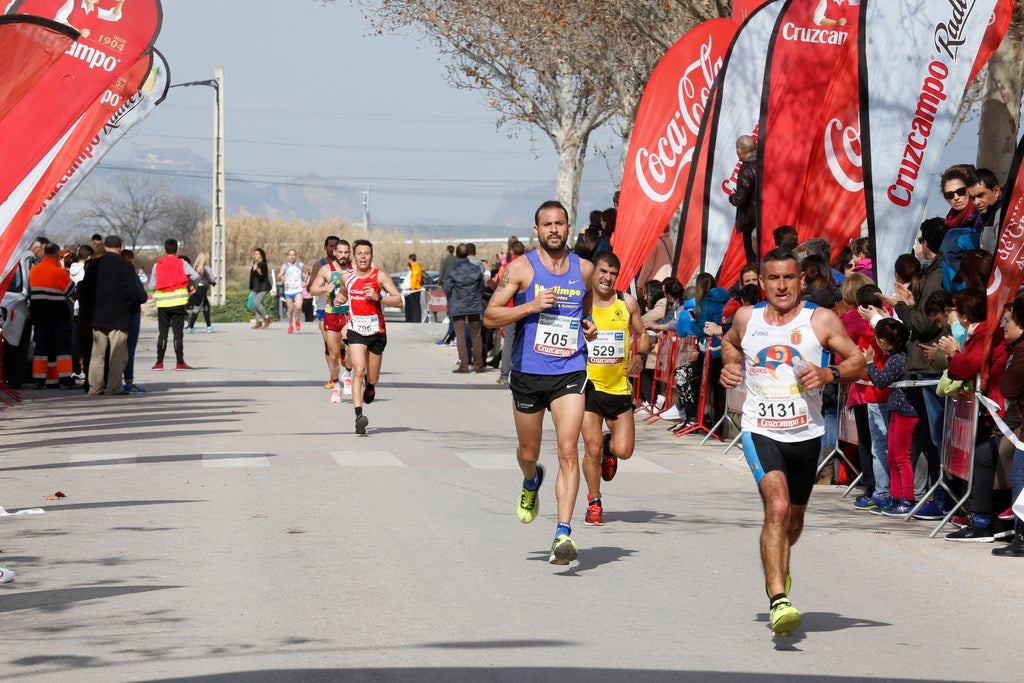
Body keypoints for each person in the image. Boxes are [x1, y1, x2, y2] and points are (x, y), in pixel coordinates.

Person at [720, 247, 865, 638]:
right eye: (773, 278)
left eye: (789, 277)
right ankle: (778, 597)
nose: (781, 286)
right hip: (760, 429)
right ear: (762, 282)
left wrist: (830, 373)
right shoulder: (747, 318)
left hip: (807, 434)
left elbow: (859, 361)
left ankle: (780, 560)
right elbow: (729, 342)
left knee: (794, 519)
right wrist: (730, 365)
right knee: (777, 505)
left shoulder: (821, 320)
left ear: (802, 280)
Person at [484, 200, 597, 566]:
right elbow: (489, 316)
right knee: (529, 453)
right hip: (529, 374)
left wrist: (589, 326)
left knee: (568, 450)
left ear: (568, 227)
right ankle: (531, 481)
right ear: (537, 230)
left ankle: (563, 532)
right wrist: (530, 307)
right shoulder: (521, 268)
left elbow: (587, 309)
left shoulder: (585, 269)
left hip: (570, 370)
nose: (553, 229)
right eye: (546, 224)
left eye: (559, 223)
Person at [581, 252, 650, 526]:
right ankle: (594, 502)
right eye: (603, 271)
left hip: (619, 387)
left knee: (624, 451)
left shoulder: (627, 303)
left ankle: (611, 448)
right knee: (591, 447)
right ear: (593, 272)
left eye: (612, 273)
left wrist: (641, 357)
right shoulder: (583, 301)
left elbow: (642, 335)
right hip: (588, 387)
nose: (607, 278)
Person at [345, 239, 403, 434]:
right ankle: (359, 416)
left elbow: (399, 301)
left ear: (371, 256)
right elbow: (345, 294)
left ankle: (370, 385)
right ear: (354, 257)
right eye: (359, 253)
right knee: (358, 370)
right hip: (356, 331)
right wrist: (339, 299)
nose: (363, 256)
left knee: (373, 376)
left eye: (366, 253)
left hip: (377, 332)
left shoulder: (380, 277)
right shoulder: (348, 277)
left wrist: (379, 297)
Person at [77, 235, 147, 396]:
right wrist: (129, 307)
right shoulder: (126, 266)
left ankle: (95, 388)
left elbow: (85, 290)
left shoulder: (93, 265)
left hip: (97, 316)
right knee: (117, 355)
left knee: (97, 355)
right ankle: (113, 387)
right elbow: (132, 293)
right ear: (120, 247)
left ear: (105, 246)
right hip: (119, 317)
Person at [864, 318, 917, 516]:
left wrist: (870, 363)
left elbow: (881, 380)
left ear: (884, 341)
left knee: (902, 457)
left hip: (906, 411)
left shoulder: (898, 359)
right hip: (896, 408)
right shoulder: (895, 357)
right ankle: (895, 496)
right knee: (893, 455)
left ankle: (907, 498)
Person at [308, 240, 352, 404]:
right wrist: (324, 289)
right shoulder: (326, 270)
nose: (343, 255)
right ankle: (336, 384)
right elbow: (312, 289)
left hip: (349, 314)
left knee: (349, 347)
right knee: (333, 355)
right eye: (340, 252)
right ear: (335, 253)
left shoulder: (355, 269)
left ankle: (347, 374)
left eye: (346, 252)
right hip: (331, 314)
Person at [28, 242, 74, 389]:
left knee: (41, 348)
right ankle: (64, 379)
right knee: (62, 349)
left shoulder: (34, 270)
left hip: (39, 315)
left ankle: (40, 380)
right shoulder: (59, 272)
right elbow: (70, 291)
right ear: (55, 255)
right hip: (58, 315)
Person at [151, 239, 197, 371]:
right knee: (178, 334)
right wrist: (191, 286)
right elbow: (195, 276)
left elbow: (152, 285)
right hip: (178, 303)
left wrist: (162, 286)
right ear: (176, 250)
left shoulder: (157, 265)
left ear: (165, 250)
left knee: (163, 333)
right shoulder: (182, 263)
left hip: (163, 304)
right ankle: (180, 363)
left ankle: (159, 363)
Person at [444, 243, 487, 373]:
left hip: (458, 305)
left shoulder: (451, 270)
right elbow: (481, 288)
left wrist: (453, 299)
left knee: (460, 335)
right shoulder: (476, 269)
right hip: (474, 304)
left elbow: (447, 288)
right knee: (476, 335)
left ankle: (464, 365)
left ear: (457, 254)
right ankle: (478, 365)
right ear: (468, 253)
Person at [119, 249, 148, 394]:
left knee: (114, 349)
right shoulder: (132, 274)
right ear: (130, 260)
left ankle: (114, 381)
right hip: (132, 315)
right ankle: (129, 383)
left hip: (114, 316)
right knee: (129, 350)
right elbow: (142, 297)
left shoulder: (112, 275)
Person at [730, 135, 759, 264]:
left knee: (753, 259)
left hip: (750, 222)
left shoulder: (747, 170)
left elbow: (740, 199)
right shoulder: (764, 163)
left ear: (739, 151)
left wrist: (732, 196)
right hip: (764, 219)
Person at [187, 252, 217, 333]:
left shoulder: (194, 268)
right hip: (202, 290)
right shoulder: (206, 267)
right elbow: (211, 279)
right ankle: (190, 327)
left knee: (206, 306)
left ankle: (209, 326)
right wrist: (213, 283)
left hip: (195, 289)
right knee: (197, 308)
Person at [278, 249, 305, 334]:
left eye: (293, 255)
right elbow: (279, 275)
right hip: (288, 291)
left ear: (296, 256)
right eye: (290, 255)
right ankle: (290, 325)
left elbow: (307, 272)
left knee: (299, 306)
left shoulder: (300, 265)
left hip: (298, 289)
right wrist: (282, 278)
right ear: (287, 256)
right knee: (290, 309)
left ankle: (296, 318)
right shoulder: (285, 266)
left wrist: (304, 280)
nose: (292, 256)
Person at [249, 248, 273, 329]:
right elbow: (252, 278)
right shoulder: (255, 264)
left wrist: (255, 270)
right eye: (254, 254)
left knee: (257, 303)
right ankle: (258, 321)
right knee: (255, 306)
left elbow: (261, 277)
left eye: (256, 254)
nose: (254, 255)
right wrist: (251, 287)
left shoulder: (263, 264)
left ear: (261, 256)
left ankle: (267, 318)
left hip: (263, 287)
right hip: (256, 288)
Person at [404, 253, 423, 323]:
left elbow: (414, 279)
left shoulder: (415, 267)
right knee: (415, 306)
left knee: (415, 306)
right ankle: (416, 320)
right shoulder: (417, 266)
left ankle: (416, 320)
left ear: (410, 260)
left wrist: (411, 289)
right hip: (415, 289)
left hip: (414, 289)